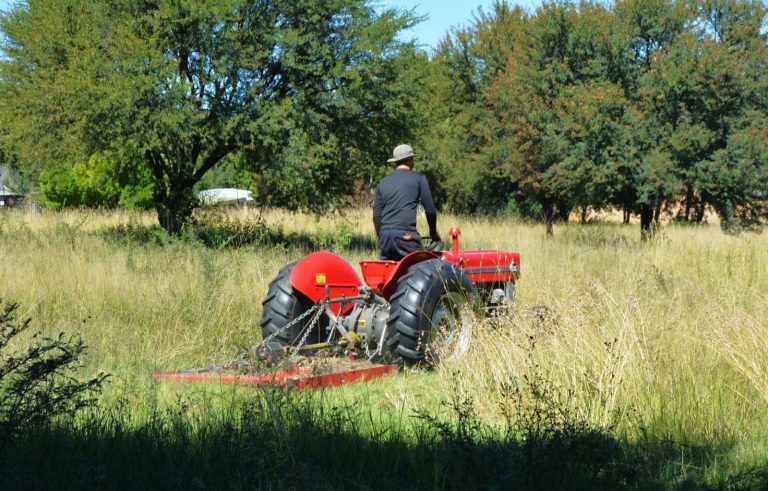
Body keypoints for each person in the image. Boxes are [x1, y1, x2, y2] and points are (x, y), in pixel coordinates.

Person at [373, 144, 441, 260]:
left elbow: (377, 217)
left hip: (385, 237)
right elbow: (430, 210)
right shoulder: (419, 179)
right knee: (423, 264)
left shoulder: (383, 182)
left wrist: (382, 236)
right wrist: (433, 233)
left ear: (396, 162)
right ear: (410, 160)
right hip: (405, 236)